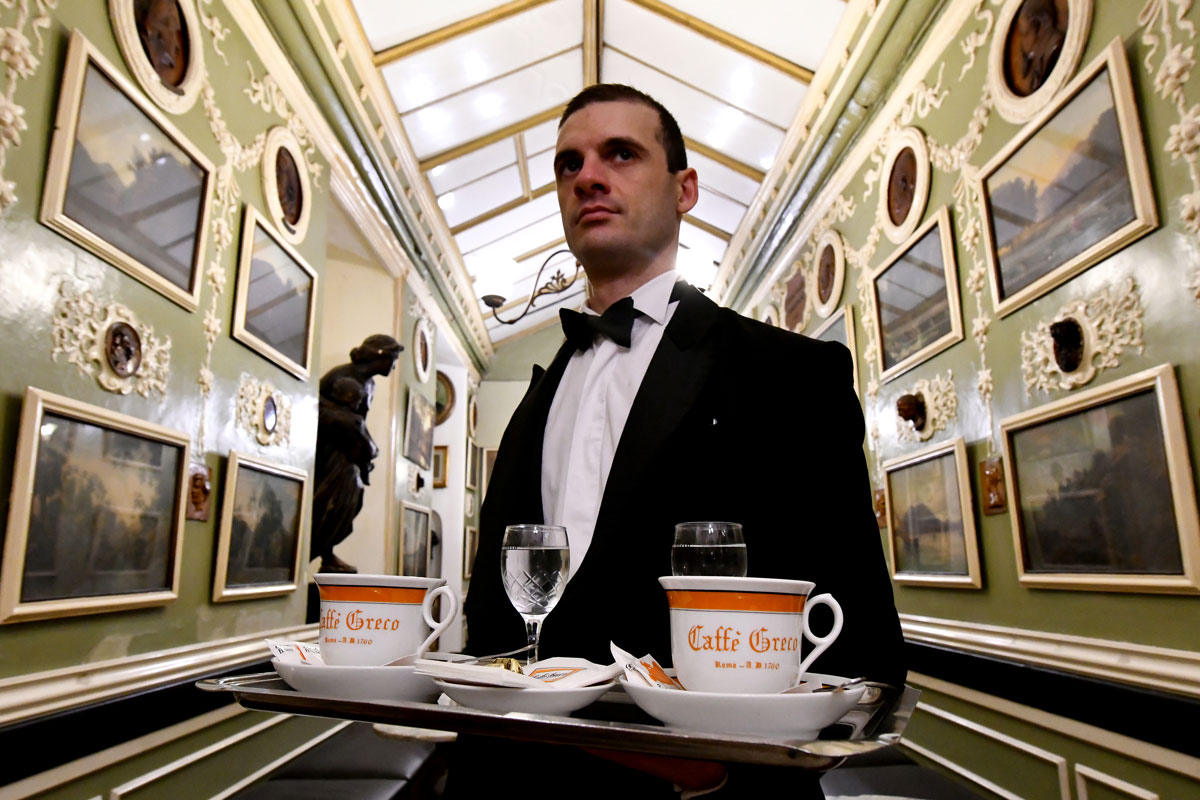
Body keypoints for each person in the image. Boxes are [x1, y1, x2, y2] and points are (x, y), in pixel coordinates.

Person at [452, 85, 905, 798]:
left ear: (685, 189)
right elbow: (489, 624)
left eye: (621, 154)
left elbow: (861, 643)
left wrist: (711, 769)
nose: (588, 176)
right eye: (569, 164)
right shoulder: (531, 404)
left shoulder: (790, 375)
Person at [311, 335, 401, 573]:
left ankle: (326, 551)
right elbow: (312, 403)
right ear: (380, 357)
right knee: (328, 501)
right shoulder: (341, 375)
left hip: (349, 450)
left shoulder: (370, 384)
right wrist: (342, 420)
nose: (394, 366)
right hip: (330, 450)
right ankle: (314, 549)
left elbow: (358, 419)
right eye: (393, 359)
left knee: (351, 498)